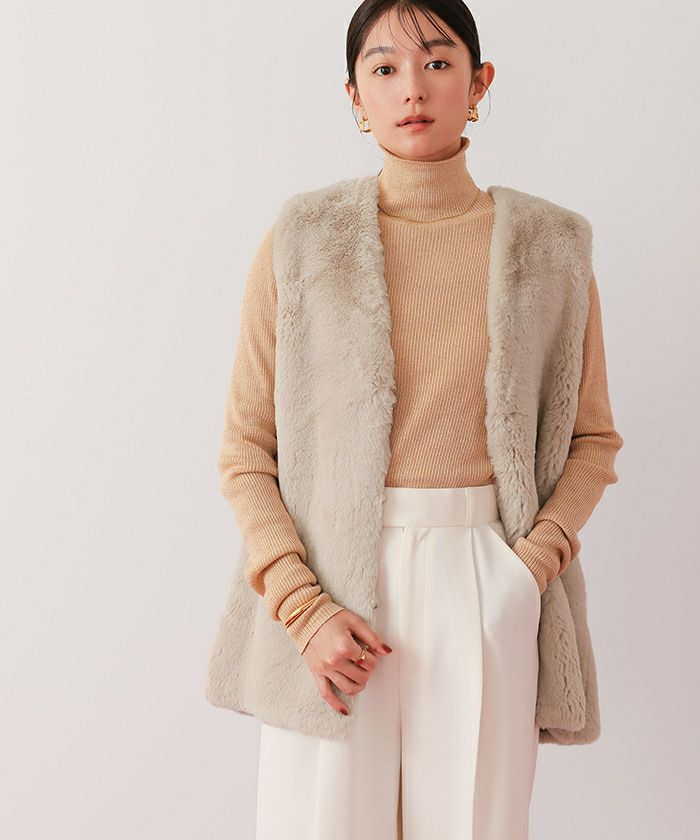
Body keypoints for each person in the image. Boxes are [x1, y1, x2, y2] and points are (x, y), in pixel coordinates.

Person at [208, 2, 623, 838]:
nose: (412, 88)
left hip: (485, 575)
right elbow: (247, 451)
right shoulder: (303, 238)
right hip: (330, 589)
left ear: (479, 83)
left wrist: (526, 570)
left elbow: (591, 438)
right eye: (384, 68)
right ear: (354, 96)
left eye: (437, 62)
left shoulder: (550, 247)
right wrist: (302, 608)